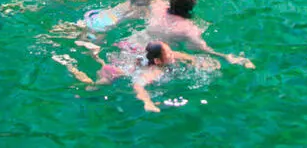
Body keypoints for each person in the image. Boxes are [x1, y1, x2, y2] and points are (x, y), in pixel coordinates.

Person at [54, 40, 223, 113]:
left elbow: (186, 57)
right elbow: (137, 85)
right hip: (115, 73)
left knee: (101, 67)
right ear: (157, 61)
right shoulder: (154, 72)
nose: (173, 55)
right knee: (90, 87)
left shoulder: (160, 58)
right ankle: (70, 65)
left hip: (123, 64)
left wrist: (199, 62)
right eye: (169, 53)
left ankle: (95, 54)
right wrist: (147, 102)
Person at [139, 0, 256, 69]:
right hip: (163, 57)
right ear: (193, 3)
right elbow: (203, 49)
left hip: (138, 44)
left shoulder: (156, 5)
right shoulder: (188, 29)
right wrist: (226, 57)